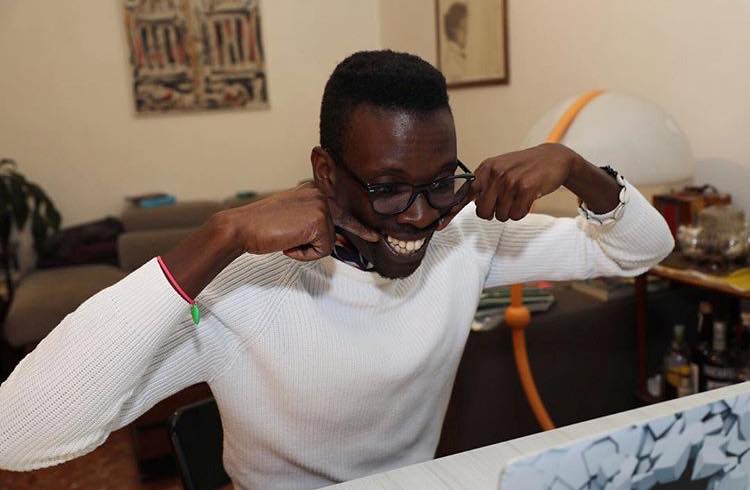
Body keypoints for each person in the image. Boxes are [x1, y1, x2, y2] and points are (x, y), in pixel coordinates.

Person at [0, 50, 673, 489]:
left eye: (441, 182)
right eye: (388, 188)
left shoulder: (466, 237)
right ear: (326, 172)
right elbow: (19, 432)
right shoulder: (244, 284)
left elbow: (641, 249)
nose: (420, 216)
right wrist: (219, 235)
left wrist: (579, 170)